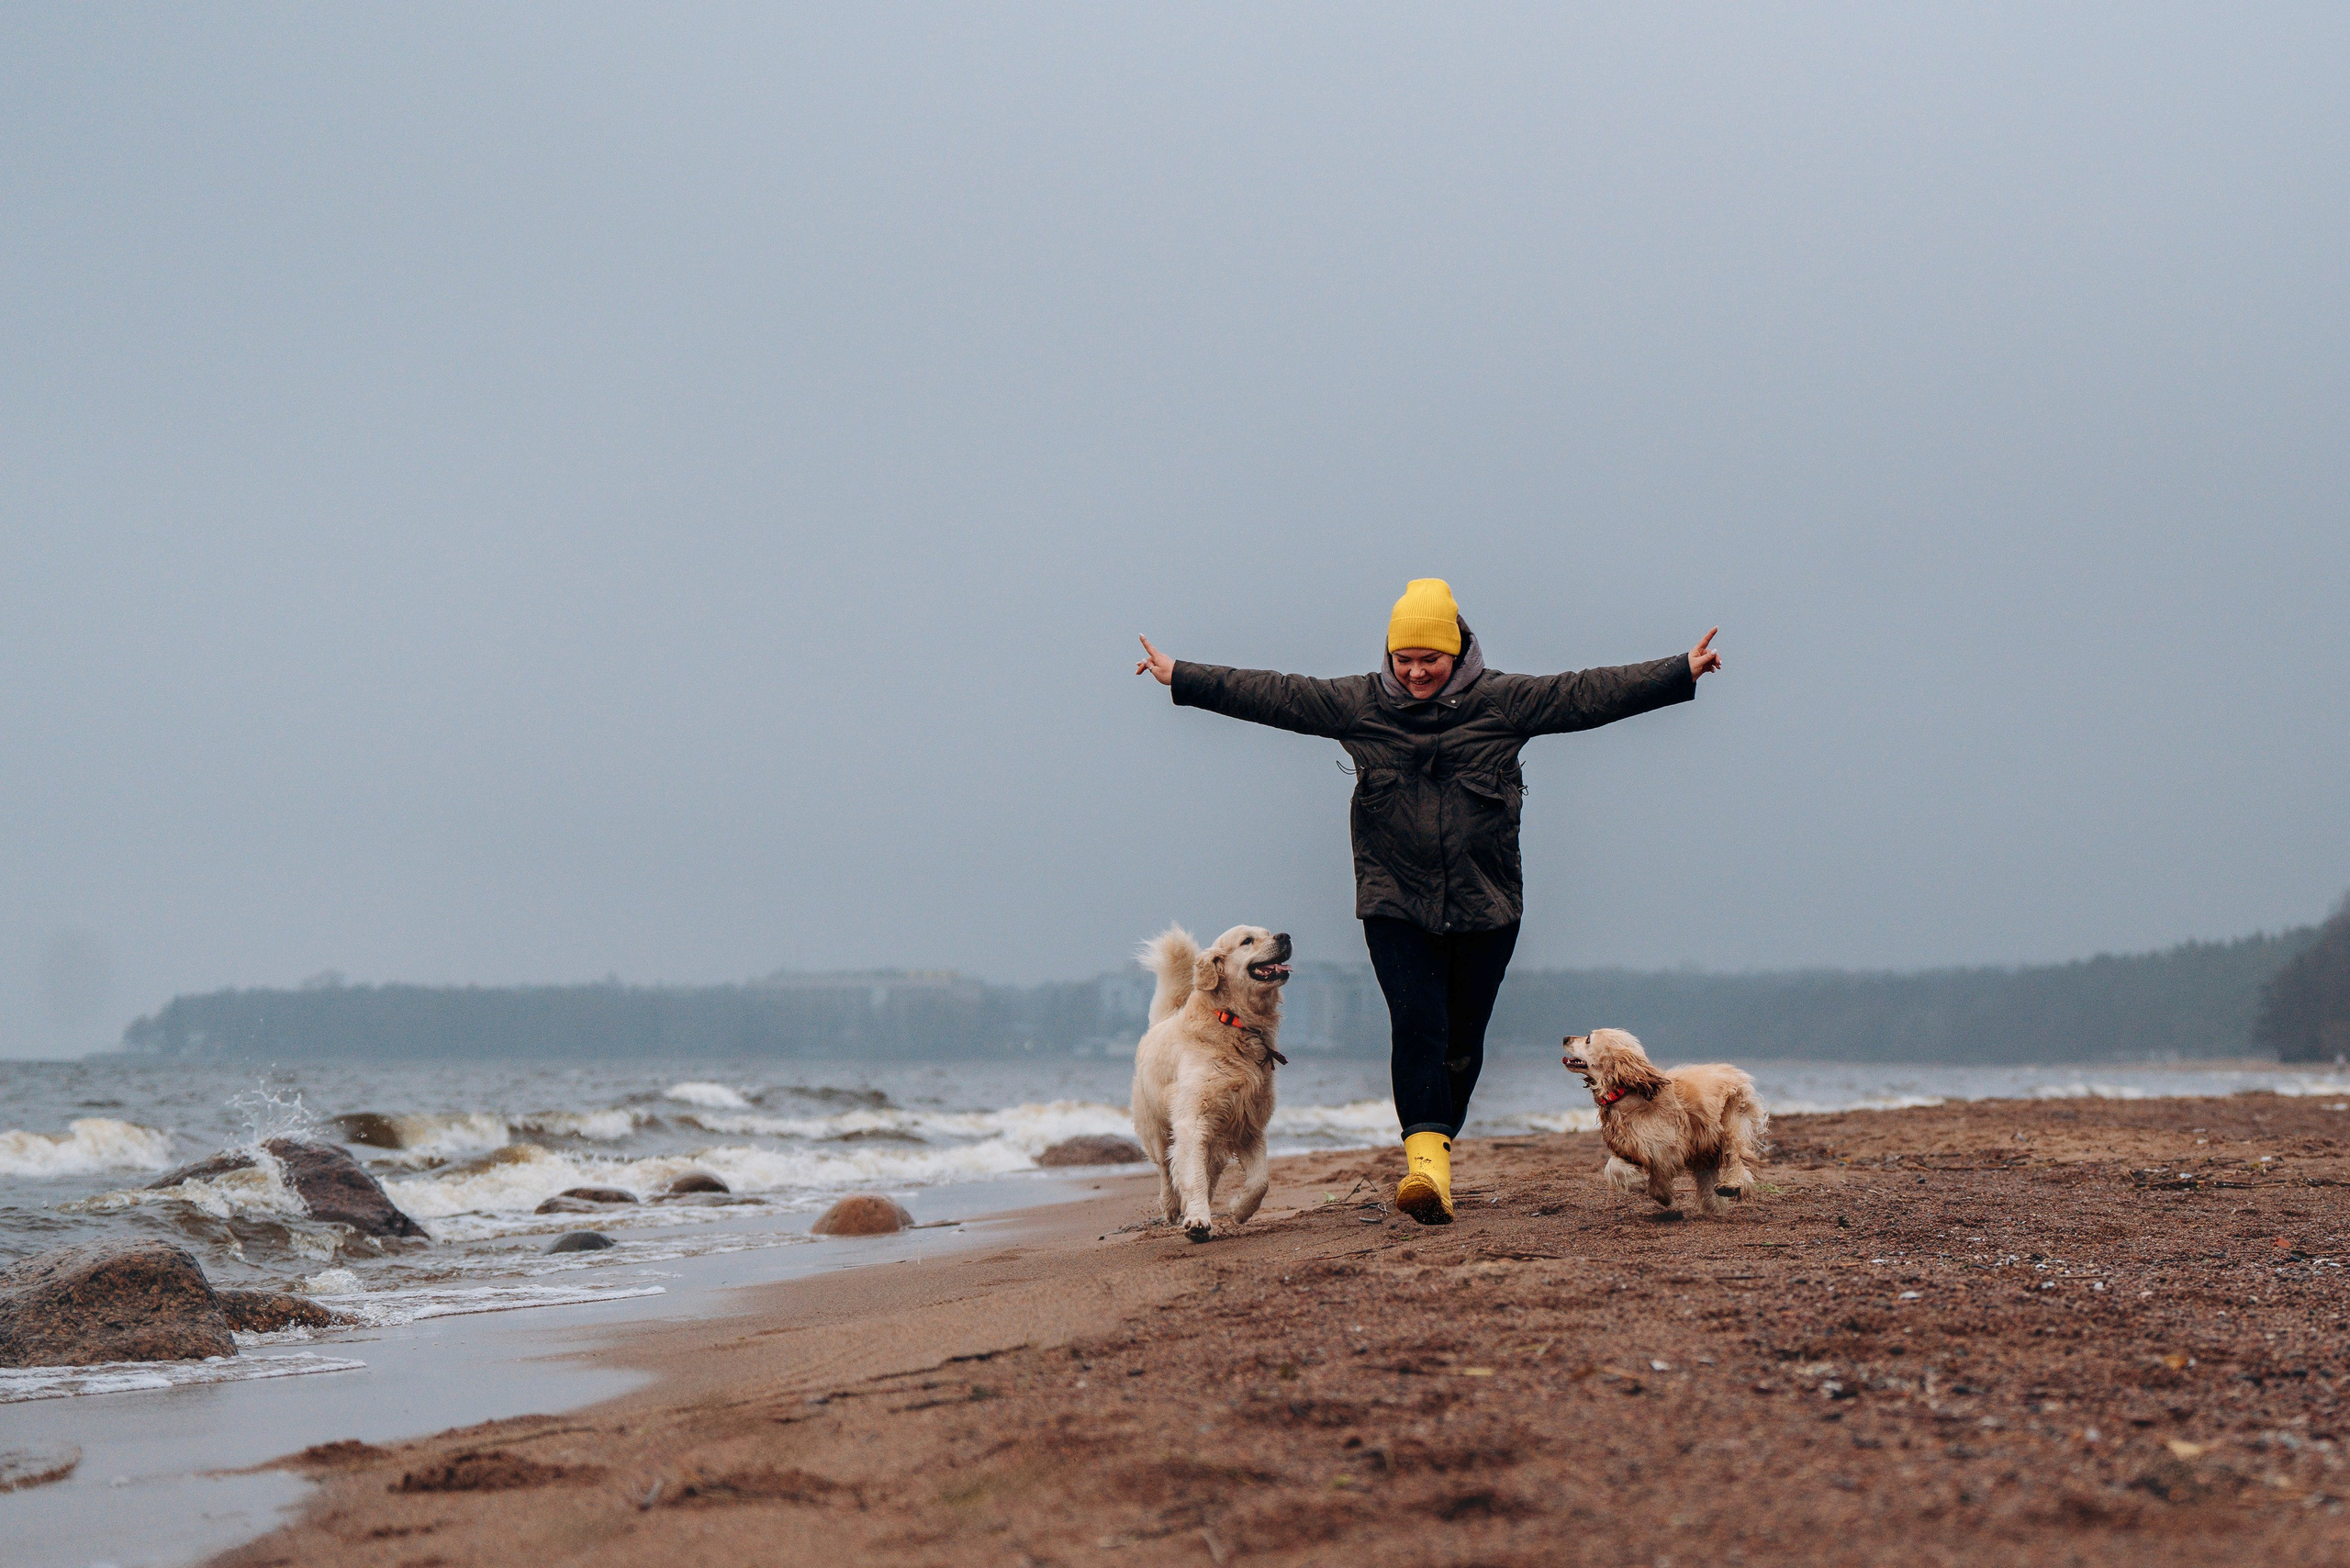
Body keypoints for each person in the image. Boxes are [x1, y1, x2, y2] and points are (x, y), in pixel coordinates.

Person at [1136, 578, 1722, 1225]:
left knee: (1462, 1045)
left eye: (1429, 660)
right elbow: (1279, 694)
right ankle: (1428, 1175)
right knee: (1419, 1029)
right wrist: (1182, 676)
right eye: (1403, 659)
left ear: (1456, 652)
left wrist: (1677, 672)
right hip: (1395, 904)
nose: (1415, 672)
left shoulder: (1504, 701)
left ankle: (1434, 1157)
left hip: (1487, 906)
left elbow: (1585, 694)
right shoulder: (1360, 706)